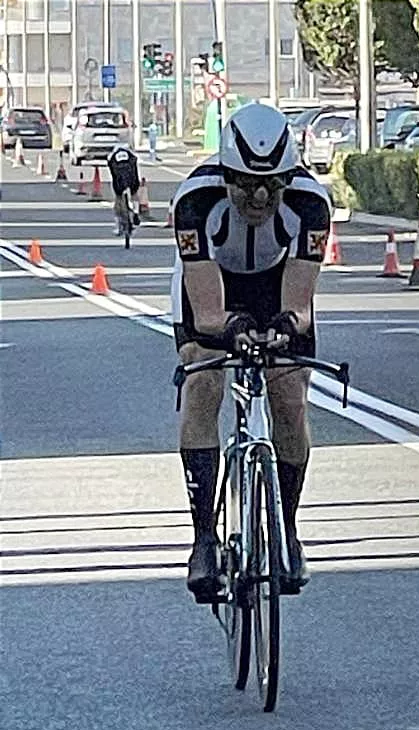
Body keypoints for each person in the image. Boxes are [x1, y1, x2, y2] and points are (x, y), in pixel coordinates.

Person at [171, 102, 331, 603]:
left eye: (273, 184)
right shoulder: (195, 202)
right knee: (202, 378)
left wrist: (285, 327)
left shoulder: (309, 205)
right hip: (212, 287)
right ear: (225, 175)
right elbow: (208, 309)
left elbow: (299, 303)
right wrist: (229, 328)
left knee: (290, 397)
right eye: (245, 183)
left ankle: (287, 529)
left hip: (275, 288)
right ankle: (203, 539)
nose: (260, 196)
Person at [107, 143, 141, 235]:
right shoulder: (131, 155)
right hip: (132, 179)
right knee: (134, 194)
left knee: (118, 199)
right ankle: (136, 211)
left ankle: (118, 226)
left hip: (119, 181)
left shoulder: (113, 156)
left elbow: (111, 170)